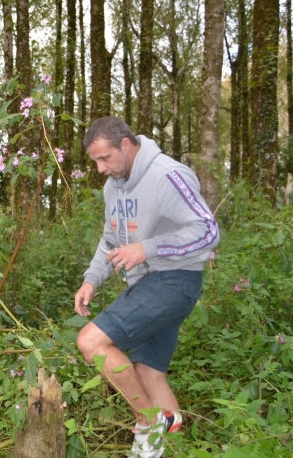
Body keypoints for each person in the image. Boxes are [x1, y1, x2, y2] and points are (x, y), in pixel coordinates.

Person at [73, 117, 219, 458]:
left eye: (104, 158)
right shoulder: (114, 187)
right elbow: (110, 239)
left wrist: (147, 247)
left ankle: (146, 421)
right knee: (149, 374)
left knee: (91, 342)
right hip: (149, 283)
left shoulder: (167, 175)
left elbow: (208, 230)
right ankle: (175, 449)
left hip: (173, 280)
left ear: (126, 145)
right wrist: (91, 279)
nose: (99, 169)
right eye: (94, 161)